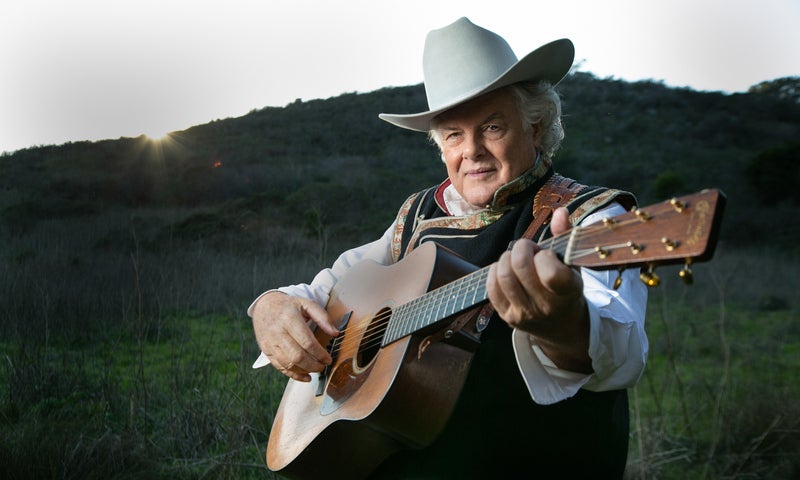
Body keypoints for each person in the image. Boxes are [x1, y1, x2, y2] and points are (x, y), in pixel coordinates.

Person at [249, 17, 648, 479]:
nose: (472, 150)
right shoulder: (417, 214)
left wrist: (565, 325)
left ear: (536, 127)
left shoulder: (591, 218)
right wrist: (270, 305)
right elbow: (331, 289)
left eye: (493, 127)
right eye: (454, 134)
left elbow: (623, 354)